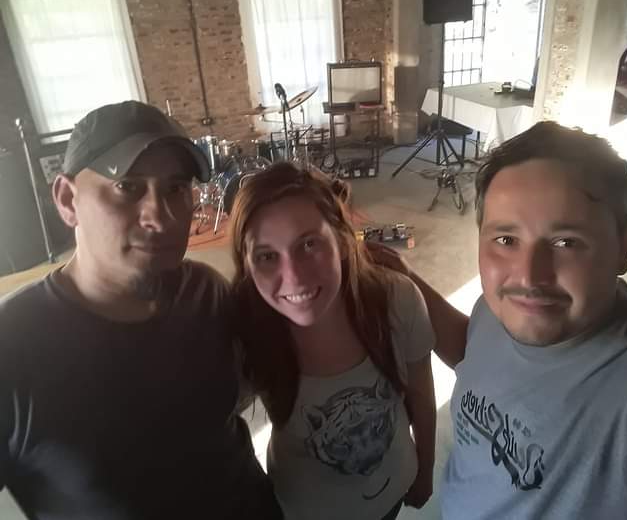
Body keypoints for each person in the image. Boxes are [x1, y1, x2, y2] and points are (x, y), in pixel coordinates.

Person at [377, 121, 627, 519]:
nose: (529, 277)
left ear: (624, 246)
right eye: (506, 240)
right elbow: (475, 354)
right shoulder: (497, 310)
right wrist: (405, 277)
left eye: (566, 242)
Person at [0, 101, 283, 519]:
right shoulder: (12, 347)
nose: (161, 217)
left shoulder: (206, 292)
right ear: (67, 200)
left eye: (176, 188)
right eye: (128, 187)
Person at [228, 162, 437, 520]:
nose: (294, 277)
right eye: (267, 256)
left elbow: (421, 394)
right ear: (247, 267)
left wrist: (426, 469)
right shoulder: (247, 339)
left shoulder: (397, 301)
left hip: (393, 491)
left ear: (342, 240)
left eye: (309, 244)